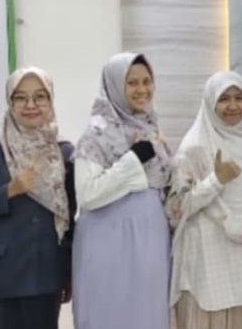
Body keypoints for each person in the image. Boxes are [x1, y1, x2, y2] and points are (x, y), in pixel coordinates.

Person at [72, 53, 172, 329]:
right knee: (111, 314)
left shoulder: (150, 129)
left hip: (150, 241)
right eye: (132, 82)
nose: (142, 90)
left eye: (147, 81)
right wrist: (134, 158)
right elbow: (88, 194)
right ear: (115, 86)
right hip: (110, 244)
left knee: (148, 316)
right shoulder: (96, 135)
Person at [167, 71, 242, 329]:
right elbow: (176, 209)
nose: (233, 106)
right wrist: (216, 180)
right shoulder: (194, 147)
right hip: (208, 263)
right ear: (210, 102)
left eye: (239, 98)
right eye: (224, 99)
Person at [0, 68, 76, 329]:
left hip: (45, 275)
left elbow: (70, 219)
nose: (30, 105)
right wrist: (8, 191)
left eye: (40, 97)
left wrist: (68, 272)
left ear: (50, 100)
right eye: (21, 98)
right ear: (10, 102)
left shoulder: (64, 152)